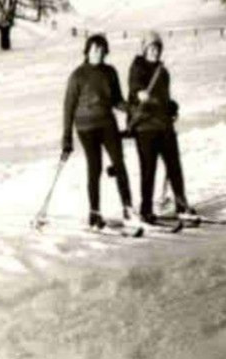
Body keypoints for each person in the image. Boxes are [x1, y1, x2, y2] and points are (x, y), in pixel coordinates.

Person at [61, 34, 134, 229]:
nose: (99, 54)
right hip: (86, 127)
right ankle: (94, 213)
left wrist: (131, 108)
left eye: (102, 50)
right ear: (87, 51)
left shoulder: (110, 72)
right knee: (95, 167)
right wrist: (67, 138)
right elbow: (68, 107)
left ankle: (128, 209)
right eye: (95, 50)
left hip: (107, 123)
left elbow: (117, 100)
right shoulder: (78, 75)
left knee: (119, 164)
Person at [127, 34, 193, 223]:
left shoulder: (163, 71)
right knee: (149, 169)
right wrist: (140, 93)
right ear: (145, 49)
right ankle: (146, 209)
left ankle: (181, 204)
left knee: (174, 167)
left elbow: (163, 96)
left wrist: (170, 105)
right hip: (145, 127)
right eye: (151, 48)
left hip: (164, 125)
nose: (155, 52)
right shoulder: (137, 67)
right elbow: (135, 88)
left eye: (157, 48)